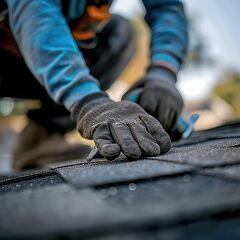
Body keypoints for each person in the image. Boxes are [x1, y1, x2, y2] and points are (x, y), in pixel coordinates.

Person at [0, 0, 188, 170]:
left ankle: (39, 142)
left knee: (119, 32)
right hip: (10, 54)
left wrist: (162, 74)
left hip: (40, 62)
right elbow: (37, 16)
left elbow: (166, 7)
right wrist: (88, 100)